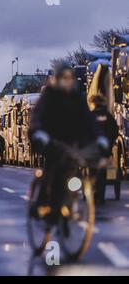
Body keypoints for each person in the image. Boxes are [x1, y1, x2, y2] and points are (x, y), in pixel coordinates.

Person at [29, 64, 106, 222]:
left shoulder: (78, 97)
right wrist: (38, 132)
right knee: (53, 169)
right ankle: (41, 203)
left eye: (69, 78)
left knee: (78, 167)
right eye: (63, 78)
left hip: (72, 142)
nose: (67, 82)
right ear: (57, 80)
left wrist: (100, 137)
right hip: (51, 140)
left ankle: (72, 199)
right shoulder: (48, 96)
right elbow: (37, 117)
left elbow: (89, 119)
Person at [90, 94, 119, 205]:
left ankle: (93, 193)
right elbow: (115, 131)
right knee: (102, 172)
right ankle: (100, 196)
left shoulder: (90, 116)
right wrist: (110, 143)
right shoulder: (108, 116)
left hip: (92, 150)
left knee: (92, 171)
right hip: (105, 150)